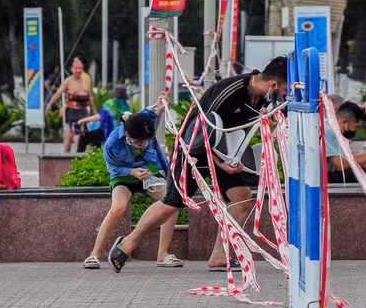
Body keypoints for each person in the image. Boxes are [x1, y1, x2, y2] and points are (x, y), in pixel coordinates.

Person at [108, 56, 288, 273]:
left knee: (241, 198)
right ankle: (127, 244)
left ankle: (219, 257)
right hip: (194, 146)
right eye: (286, 90)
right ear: (274, 85)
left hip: (226, 149)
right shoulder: (229, 91)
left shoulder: (263, 96)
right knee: (173, 202)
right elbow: (202, 130)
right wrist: (220, 164)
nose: (285, 96)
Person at [84, 108, 179, 269]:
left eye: (145, 141)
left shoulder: (144, 125)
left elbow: (151, 114)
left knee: (172, 203)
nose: (142, 144)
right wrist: (132, 172)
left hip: (147, 175)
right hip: (123, 176)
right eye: (138, 142)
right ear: (128, 134)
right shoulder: (113, 142)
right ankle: (94, 255)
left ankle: (162, 254)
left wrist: (161, 109)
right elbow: (112, 167)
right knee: (117, 208)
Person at [325, 100, 366, 184]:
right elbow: (340, 165)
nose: (356, 130)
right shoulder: (330, 132)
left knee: (360, 166)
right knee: (355, 173)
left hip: (322, 174)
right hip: (321, 179)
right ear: (344, 122)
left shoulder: (328, 125)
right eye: (356, 126)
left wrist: (362, 156)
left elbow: (340, 158)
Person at [45, 57, 93, 153]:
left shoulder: (86, 79)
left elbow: (90, 96)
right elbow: (58, 94)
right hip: (71, 111)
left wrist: (94, 112)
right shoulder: (68, 81)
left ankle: (83, 154)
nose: (78, 70)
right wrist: (49, 105)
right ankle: (66, 156)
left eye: (80, 68)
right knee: (70, 135)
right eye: (76, 68)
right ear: (72, 69)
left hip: (83, 111)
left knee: (84, 134)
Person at [77, 85, 131, 152]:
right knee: (96, 137)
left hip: (107, 132)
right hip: (121, 134)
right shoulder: (127, 106)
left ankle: (79, 158)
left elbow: (99, 117)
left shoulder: (110, 103)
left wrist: (83, 120)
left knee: (84, 137)